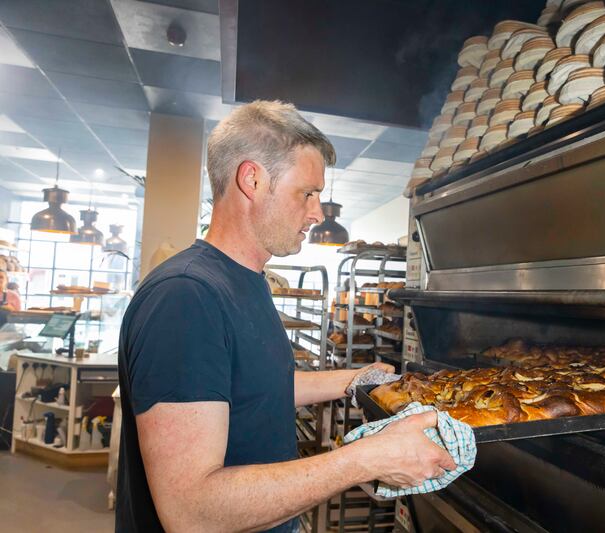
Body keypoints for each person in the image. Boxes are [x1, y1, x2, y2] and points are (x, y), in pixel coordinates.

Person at [116, 100, 456, 533]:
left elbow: (253, 386)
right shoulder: (186, 297)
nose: (317, 213)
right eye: (307, 193)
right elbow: (191, 511)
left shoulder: (247, 281)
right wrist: (367, 458)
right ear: (253, 179)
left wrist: (355, 380)